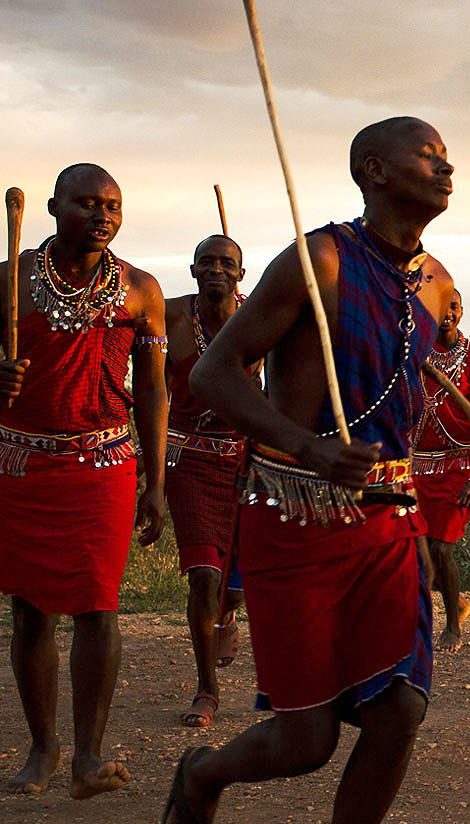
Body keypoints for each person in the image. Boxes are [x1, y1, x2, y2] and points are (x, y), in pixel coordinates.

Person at [159, 117, 456, 824]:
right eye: (429, 156)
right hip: (295, 514)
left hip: (388, 519)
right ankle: (203, 773)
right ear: (374, 169)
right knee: (307, 740)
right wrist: (311, 447)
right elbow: (211, 375)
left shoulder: (439, 283)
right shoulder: (318, 259)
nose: (447, 169)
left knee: (400, 710)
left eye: (448, 157)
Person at [0, 163, 166, 796]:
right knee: (30, 612)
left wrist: (155, 483)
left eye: (113, 205)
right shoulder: (6, 280)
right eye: (86, 203)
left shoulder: (141, 291)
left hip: (103, 464)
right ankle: (43, 748)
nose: (103, 215)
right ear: (52, 207)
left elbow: (153, 391)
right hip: (21, 465)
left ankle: (88, 757)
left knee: (99, 606)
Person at [163, 235, 253, 728]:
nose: (217, 269)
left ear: (240, 273)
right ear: (193, 269)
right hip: (189, 461)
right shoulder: (172, 317)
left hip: (245, 460)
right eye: (207, 262)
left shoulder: (258, 315)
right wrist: (150, 475)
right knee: (204, 574)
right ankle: (206, 690)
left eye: (227, 263)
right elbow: (152, 393)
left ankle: (228, 616)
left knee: (234, 586)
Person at [413, 282, 470, 650]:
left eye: (454, 307)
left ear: (462, 312)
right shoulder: (415, 353)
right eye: (441, 307)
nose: (448, 313)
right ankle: (458, 602)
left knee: (441, 547)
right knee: (417, 550)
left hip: (460, 466)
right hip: (419, 466)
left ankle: (452, 628)